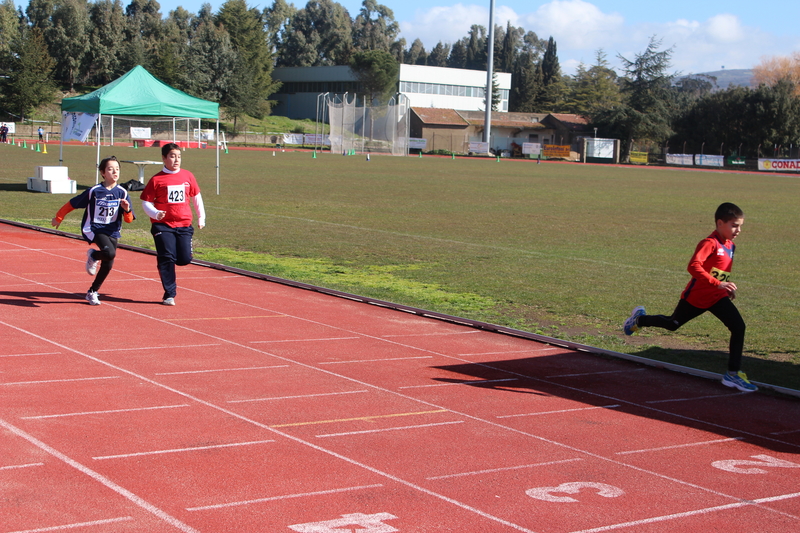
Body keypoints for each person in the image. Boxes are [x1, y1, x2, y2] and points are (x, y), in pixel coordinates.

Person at [623, 202, 756, 392]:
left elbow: (718, 272)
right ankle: (640, 319)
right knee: (672, 324)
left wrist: (724, 288)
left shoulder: (731, 246)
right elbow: (693, 266)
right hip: (695, 298)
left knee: (738, 327)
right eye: (734, 225)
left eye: (740, 226)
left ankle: (733, 374)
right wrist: (718, 283)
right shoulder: (709, 243)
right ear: (720, 223)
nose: (738, 230)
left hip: (717, 298)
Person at [51, 156, 135, 305]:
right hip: (94, 228)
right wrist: (59, 217)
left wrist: (127, 209)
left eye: (117, 169)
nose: (115, 172)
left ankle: (92, 292)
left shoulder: (122, 192)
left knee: (108, 263)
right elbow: (73, 203)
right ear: (103, 172)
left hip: (112, 230)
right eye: (110, 169)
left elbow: (129, 219)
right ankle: (94, 255)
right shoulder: (94, 191)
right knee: (109, 253)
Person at [140, 143, 205, 306]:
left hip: (183, 224)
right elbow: (145, 202)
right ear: (164, 158)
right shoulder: (156, 179)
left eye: (179, 156)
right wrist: (155, 213)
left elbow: (197, 197)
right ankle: (169, 294)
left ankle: (167, 259)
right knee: (167, 257)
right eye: (172, 156)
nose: (176, 160)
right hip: (162, 225)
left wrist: (201, 218)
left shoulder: (188, 176)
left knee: (184, 259)